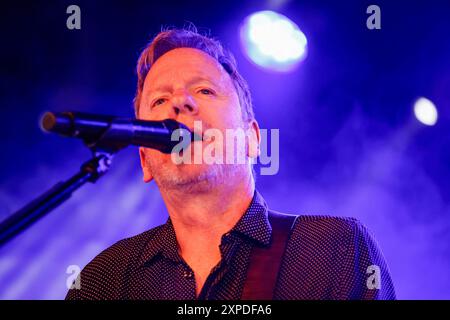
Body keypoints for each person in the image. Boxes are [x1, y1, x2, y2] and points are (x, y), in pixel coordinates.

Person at [66, 27, 396, 300]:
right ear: (145, 159)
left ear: (251, 139)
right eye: (160, 100)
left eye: (205, 90)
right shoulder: (101, 282)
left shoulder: (334, 248)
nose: (180, 102)